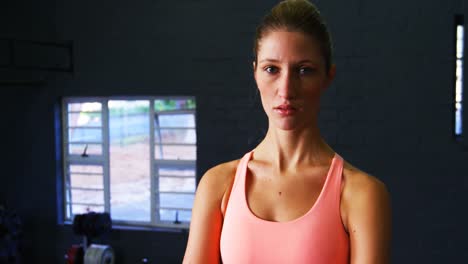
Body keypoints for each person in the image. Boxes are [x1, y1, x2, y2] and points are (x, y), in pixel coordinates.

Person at [183, 0, 391, 263]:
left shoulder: (360, 194)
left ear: (328, 76)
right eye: (271, 69)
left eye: (304, 70)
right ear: (256, 74)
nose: (286, 89)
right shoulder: (218, 185)